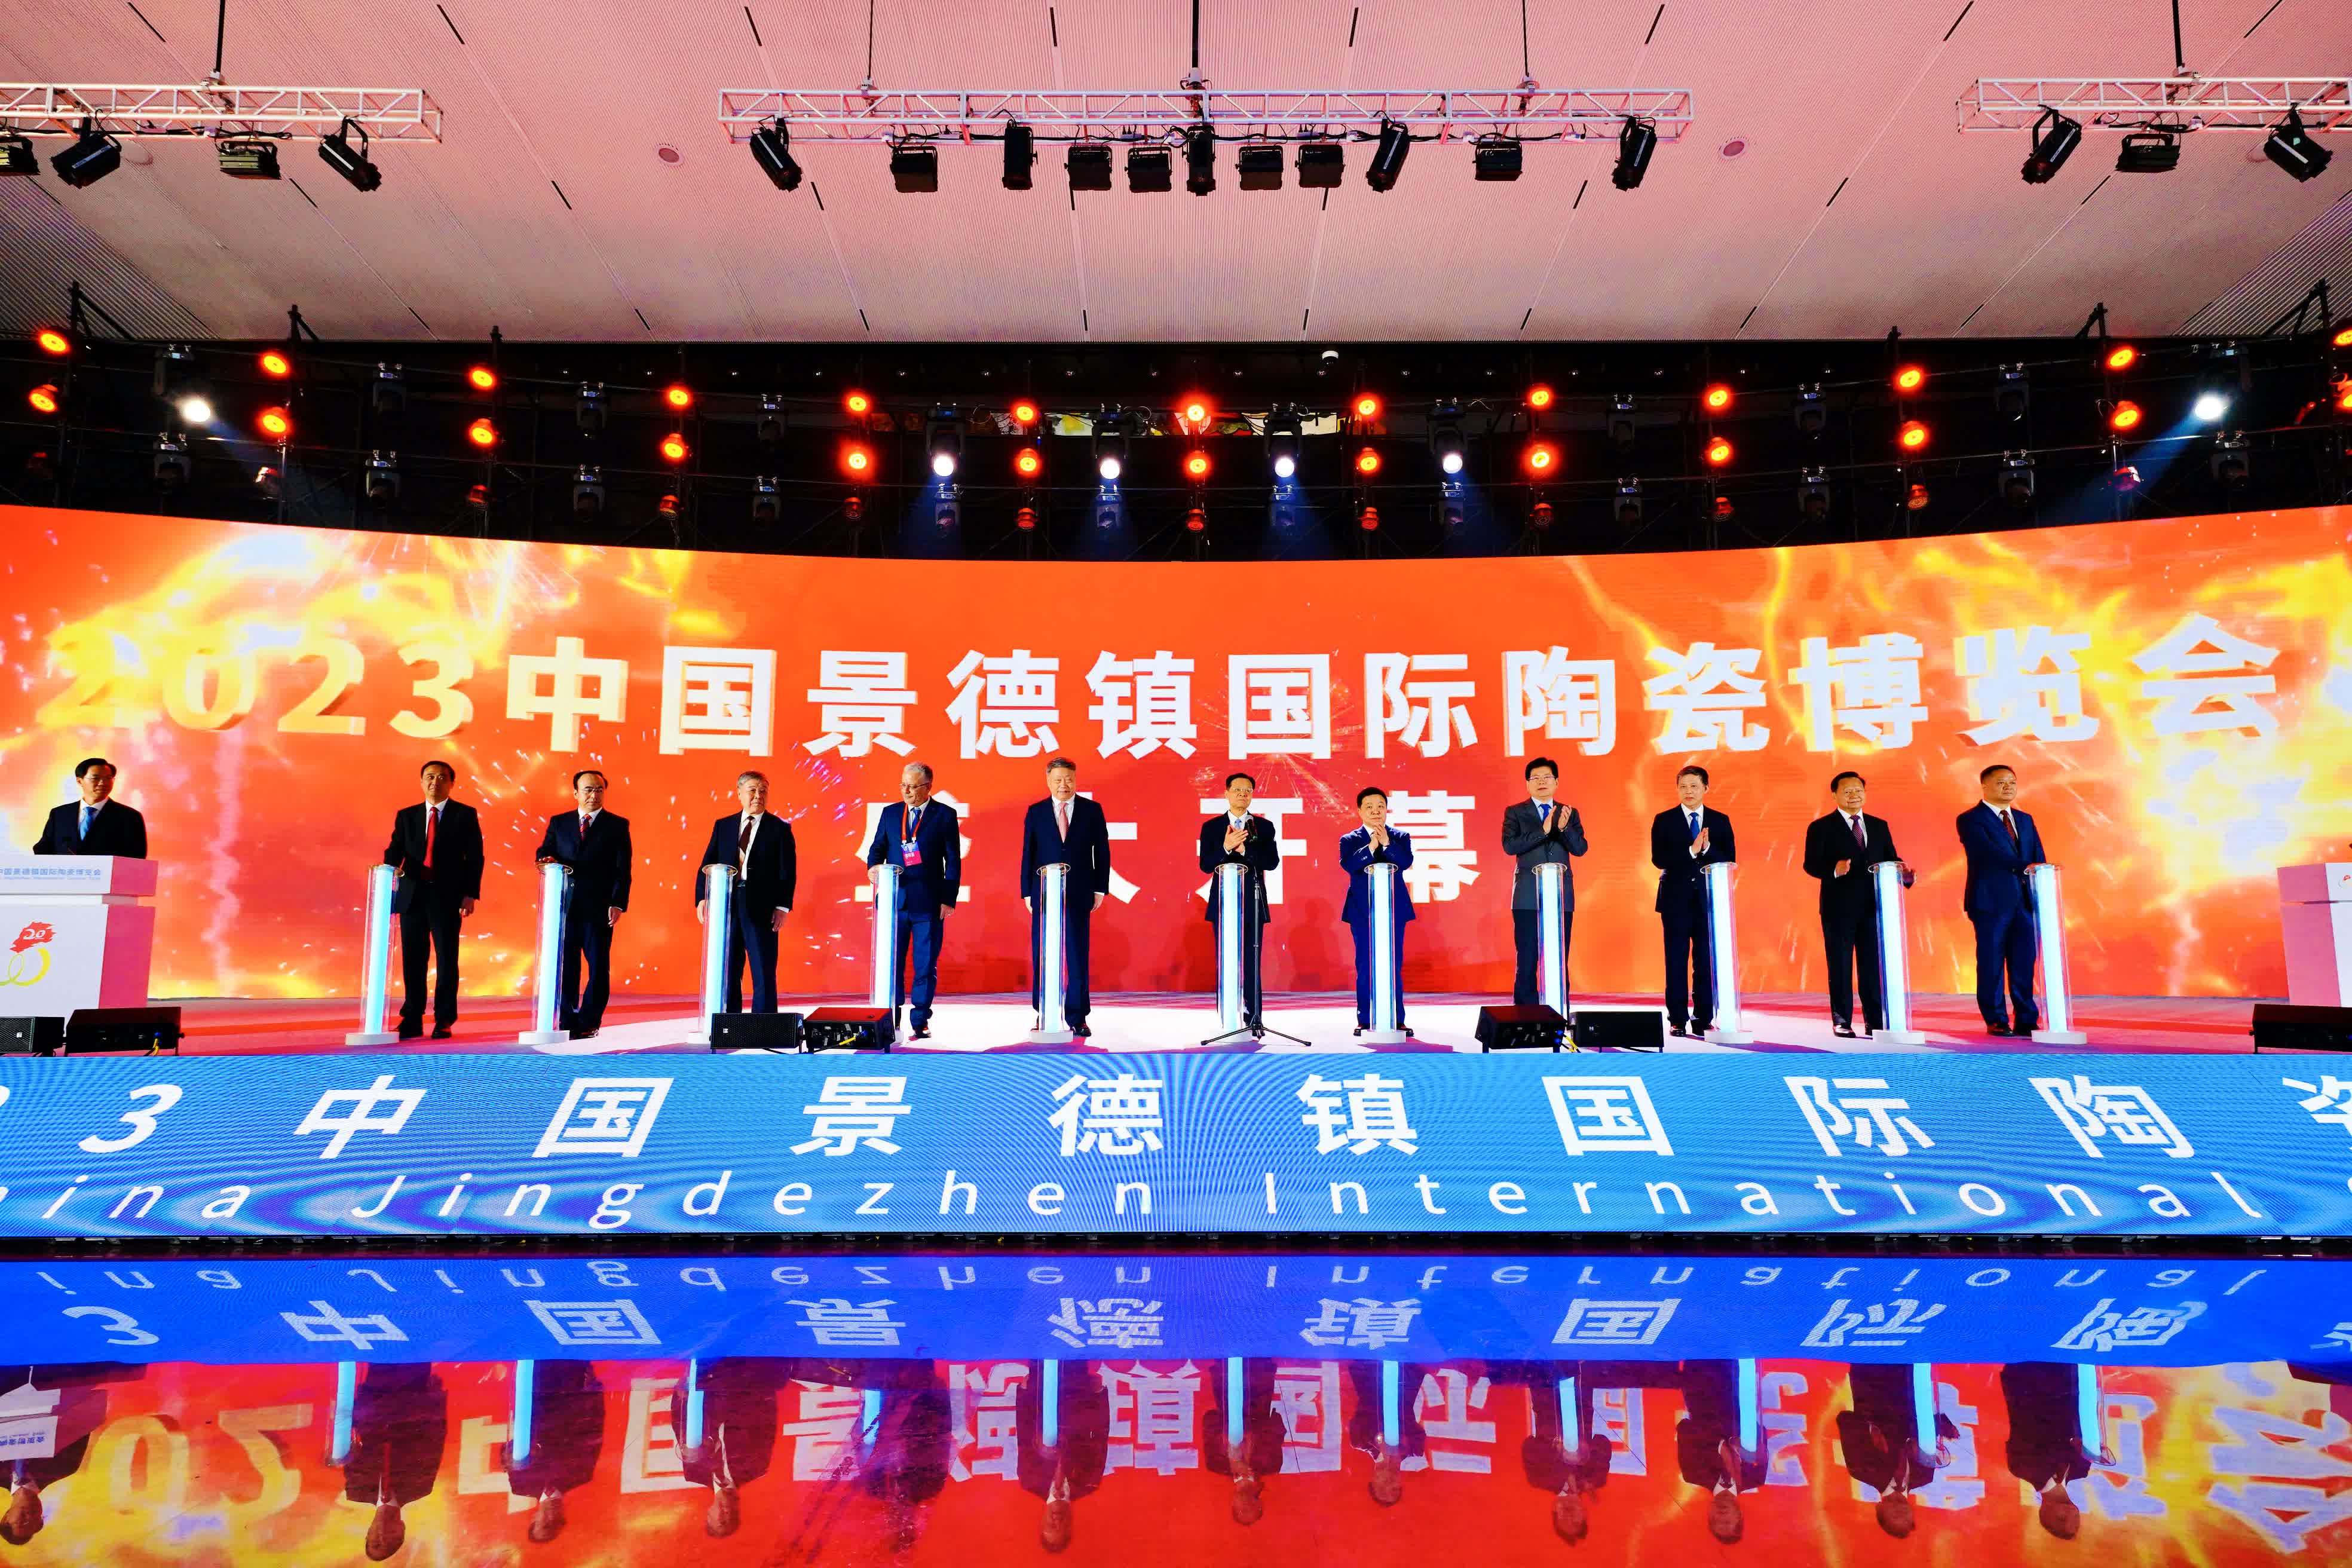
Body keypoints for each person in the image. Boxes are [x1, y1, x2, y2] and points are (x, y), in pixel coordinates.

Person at [1802, 771, 1909, 1039]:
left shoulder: (1879, 825)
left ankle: (1875, 1021)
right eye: (1847, 791)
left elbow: (1890, 859)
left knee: (1872, 966)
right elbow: (1810, 865)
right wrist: (1833, 869)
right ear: (1835, 795)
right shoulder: (1821, 827)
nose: (1854, 795)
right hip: (1838, 908)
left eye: (1858, 790)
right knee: (1840, 965)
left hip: (1874, 908)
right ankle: (1842, 1020)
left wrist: (1904, 873)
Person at [382, 760, 483, 1040]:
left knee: (447, 959)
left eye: (441, 777)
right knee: (413, 960)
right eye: (429, 777)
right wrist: (388, 868)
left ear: (452, 783)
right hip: (412, 897)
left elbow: (475, 857)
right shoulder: (407, 815)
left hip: (447, 897)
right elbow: (395, 850)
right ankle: (412, 1018)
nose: (434, 782)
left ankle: (444, 1019)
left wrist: (470, 894)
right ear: (421, 781)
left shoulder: (465, 814)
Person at [864, 762, 960, 1040]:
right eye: (903, 785)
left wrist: (948, 899)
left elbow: (953, 860)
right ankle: (889, 1018)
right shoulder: (891, 813)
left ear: (928, 787)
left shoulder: (944, 815)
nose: (906, 791)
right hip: (894, 902)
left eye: (913, 786)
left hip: (929, 903)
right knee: (891, 963)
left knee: (925, 964)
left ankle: (920, 1019)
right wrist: (873, 867)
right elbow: (877, 849)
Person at [532, 771, 632, 1040]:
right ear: (576, 793)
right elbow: (545, 851)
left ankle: (589, 1021)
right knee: (566, 965)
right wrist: (546, 859)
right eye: (588, 789)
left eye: (599, 789)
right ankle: (566, 1018)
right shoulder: (560, 822)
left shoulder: (617, 825)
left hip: (599, 907)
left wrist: (617, 903)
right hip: (563, 905)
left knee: (598, 966)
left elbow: (623, 870)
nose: (593, 795)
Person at [1019, 758, 1112, 1037]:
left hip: (1079, 891)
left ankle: (1078, 1015)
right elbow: (1028, 853)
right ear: (1048, 781)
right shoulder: (1036, 811)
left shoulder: (1092, 810)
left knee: (1077, 953)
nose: (1064, 785)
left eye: (1069, 779)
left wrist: (1100, 888)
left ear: (1076, 780)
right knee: (1043, 953)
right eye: (1058, 780)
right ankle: (1044, 1011)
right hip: (1044, 892)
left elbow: (1102, 852)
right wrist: (1027, 891)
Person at [694, 771, 797, 1015]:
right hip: (727, 904)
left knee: (763, 969)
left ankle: (764, 1024)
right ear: (739, 793)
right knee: (728, 968)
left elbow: (787, 871)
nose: (758, 796)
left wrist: (782, 907)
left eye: (763, 791)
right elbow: (708, 864)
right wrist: (703, 897)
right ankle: (730, 1023)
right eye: (752, 790)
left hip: (762, 907)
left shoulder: (780, 829)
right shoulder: (724, 826)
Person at [1958, 764, 2046, 1037]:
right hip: (1990, 902)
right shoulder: (1971, 819)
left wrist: (2041, 876)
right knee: (1991, 963)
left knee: (2024, 963)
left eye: (2012, 782)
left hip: (2025, 903)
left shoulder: (2025, 819)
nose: (2008, 787)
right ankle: (1996, 1019)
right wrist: (2025, 867)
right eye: (2001, 782)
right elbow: (1986, 853)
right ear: (1984, 785)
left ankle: (2026, 1019)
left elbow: (2038, 855)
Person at [1650, 765, 1736, 1039]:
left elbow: (1730, 858)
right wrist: (1691, 850)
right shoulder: (1664, 820)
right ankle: (1677, 1019)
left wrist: (1707, 849)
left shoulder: (1720, 820)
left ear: (1706, 788)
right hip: (1675, 900)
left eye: (1694, 786)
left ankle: (1703, 1018)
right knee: (1676, 961)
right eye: (1683, 787)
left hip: (1708, 901)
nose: (1689, 791)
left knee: (1705, 962)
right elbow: (1658, 859)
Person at [339, 1362, 450, 1561]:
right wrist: (436, 1402)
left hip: (375, 1399)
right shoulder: (421, 1488)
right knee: (415, 1349)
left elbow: (352, 1439)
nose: (382, 1535)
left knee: (381, 1351)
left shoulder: (357, 1490)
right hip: (413, 1397)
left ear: (369, 1532)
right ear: (402, 1529)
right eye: (389, 1541)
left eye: (376, 1541)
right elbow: (434, 1442)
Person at [669, 1358, 789, 1539]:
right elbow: (767, 1419)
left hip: (704, 1381)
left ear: (709, 1514)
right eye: (729, 1519)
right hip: (743, 1376)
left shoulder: (694, 1472)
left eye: (720, 1521)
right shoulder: (756, 1469)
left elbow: (681, 1425)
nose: (725, 1515)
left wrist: (680, 1395)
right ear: (737, 1512)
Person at [1198, 773, 1281, 1033]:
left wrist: (1244, 850)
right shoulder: (1212, 827)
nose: (1243, 794)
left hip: (1253, 901)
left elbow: (1271, 862)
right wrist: (1225, 847)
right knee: (1226, 960)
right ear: (1227, 793)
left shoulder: (1261, 827)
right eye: (1237, 790)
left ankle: (1254, 1017)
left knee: (1252, 960)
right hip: (1224, 902)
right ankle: (1228, 1016)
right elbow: (1205, 865)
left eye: (1248, 790)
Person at [1501, 757, 1587, 1007]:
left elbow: (1581, 849)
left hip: (1560, 896)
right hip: (1527, 896)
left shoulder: (1569, 813)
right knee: (1527, 958)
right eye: (1535, 778)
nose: (1541, 782)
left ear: (1556, 782)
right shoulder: (1516, 812)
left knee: (1559, 957)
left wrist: (1564, 829)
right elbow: (1510, 846)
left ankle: (1558, 1013)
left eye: (1547, 777)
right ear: (1527, 784)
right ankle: (1525, 1017)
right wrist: (1544, 830)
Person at [1836, 1364, 1956, 1540]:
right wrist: (1943, 1427)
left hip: (1871, 1378)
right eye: (1906, 1519)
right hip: (1910, 1379)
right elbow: (1924, 1427)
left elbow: (1846, 1421)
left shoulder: (1861, 1470)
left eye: (1894, 1517)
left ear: (1879, 1509)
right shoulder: (1924, 1475)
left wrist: (1874, 1433)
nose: (1901, 1513)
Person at [1339, 786, 1415, 1034]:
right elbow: (1350, 865)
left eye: (1380, 806)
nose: (1376, 811)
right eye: (1370, 807)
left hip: (1394, 910)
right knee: (1365, 964)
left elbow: (1405, 862)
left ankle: (1397, 1018)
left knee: (1393, 963)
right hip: (1362, 911)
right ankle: (1365, 1018)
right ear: (1360, 811)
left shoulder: (1400, 836)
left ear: (1386, 809)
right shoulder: (1350, 840)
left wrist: (1387, 844)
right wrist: (1372, 846)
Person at [507, 1360, 605, 1545]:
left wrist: (509, 1456)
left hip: (534, 1394)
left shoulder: (521, 1485)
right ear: (563, 1518)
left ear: (534, 1519)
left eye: (544, 1524)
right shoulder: (582, 1475)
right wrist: (595, 1390)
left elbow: (510, 1448)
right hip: (571, 1392)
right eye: (556, 1524)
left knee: (534, 1349)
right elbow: (594, 1428)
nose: (551, 1519)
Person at [1016, 1359, 1110, 1551]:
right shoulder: (1089, 1482)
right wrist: (1100, 1396)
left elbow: (1023, 1434)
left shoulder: (1029, 1480)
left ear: (1042, 1522)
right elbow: (1101, 1435)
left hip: (1041, 1395)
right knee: (1072, 1345)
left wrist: (1023, 1394)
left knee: (1044, 1348)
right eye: (1062, 1527)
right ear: (1071, 1526)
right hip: (1078, 1394)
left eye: (1052, 1526)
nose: (1057, 1522)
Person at [1998, 1363, 2094, 1542]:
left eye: (2062, 1519)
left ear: (2044, 1512)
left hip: (2030, 1376)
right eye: (2076, 1520)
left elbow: (2027, 1427)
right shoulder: (2081, 1469)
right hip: (2069, 1378)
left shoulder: (2021, 1468)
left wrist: (2073, 1445)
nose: (2070, 1513)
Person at [1676, 1360, 1768, 1545]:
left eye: (1717, 1521)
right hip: (1738, 1385)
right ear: (1739, 1515)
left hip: (1700, 1384)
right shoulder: (1755, 1477)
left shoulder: (1694, 1474)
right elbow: (1760, 1431)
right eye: (1727, 1522)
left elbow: (1685, 1429)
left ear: (1710, 1514)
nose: (1722, 1515)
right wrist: (1735, 1442)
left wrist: (1722, 1446)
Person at [1202, 1358, 1286, 1526]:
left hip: (1226, 1382)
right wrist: (1249, 1435)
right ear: (1260, 1505)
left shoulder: (1216, 1464)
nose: (1246, 1506)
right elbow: (1276, 1424)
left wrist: (1232, 1454)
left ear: (1233, 1504)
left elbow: (1209, 1420)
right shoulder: (1271, 1465)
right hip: (1259, 1380)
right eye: (1251, 1510)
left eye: (1242, 1510)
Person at [1345, 1361, 1429, 1507]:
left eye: (1382, 1488)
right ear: (1401, 1483)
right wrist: (1397, 1448)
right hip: (1407, 1371)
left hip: (1369, 1367)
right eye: (1394, 1489)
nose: (1389, 1483)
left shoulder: (1359, 1440)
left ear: (1373, 1480)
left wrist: (1382, 1445)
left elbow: (1361, 1419)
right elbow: (1416, 1432)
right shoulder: (1415, 1448)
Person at [30, 757, 147, 858]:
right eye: (96, 778)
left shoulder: (129, 817)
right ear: (80, 781)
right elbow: (43, 849)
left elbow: (136, 856)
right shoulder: (60, 814)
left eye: (108, 778)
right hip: (65, 876)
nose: (103, 783)